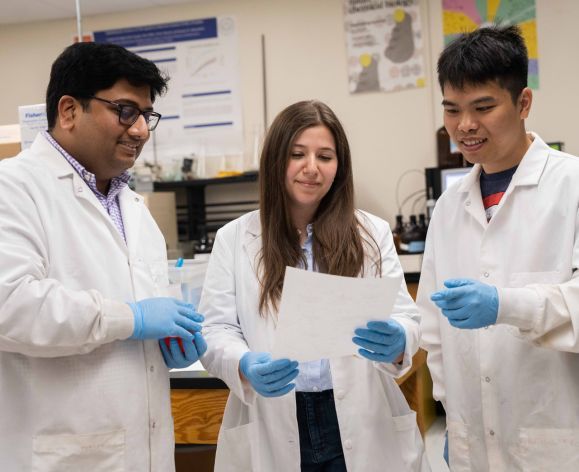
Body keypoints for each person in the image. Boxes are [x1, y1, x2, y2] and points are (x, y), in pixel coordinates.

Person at [0, 42, 206, 471]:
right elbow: (10, 306)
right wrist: (131, 319)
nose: (141, 130)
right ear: (70, 110)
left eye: (146, 116)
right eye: (125, 111)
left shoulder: (133, 209)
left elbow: (141, 319)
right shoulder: (13, 187)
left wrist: (165, 345)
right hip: (63, 455)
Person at [199, 100, 430, 471]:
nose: (311, 168)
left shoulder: (371, 232)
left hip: (359, 415)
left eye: (325, 156)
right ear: (276, 160)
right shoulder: (234, 238)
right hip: (274, 417)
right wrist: (243, 363)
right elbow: (216, 328)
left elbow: (405, 314)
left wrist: (400, 337)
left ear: (339, 167)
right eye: (297, 154)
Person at [417, 25, 579, 471]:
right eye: (452, 110)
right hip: (472, 443)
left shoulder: (572, 185)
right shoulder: (449, 208)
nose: (465, 126)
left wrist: (506, 305)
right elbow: (434, 333)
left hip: (557, 439)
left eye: (483, 107)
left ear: (523, 102)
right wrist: (452, 421)